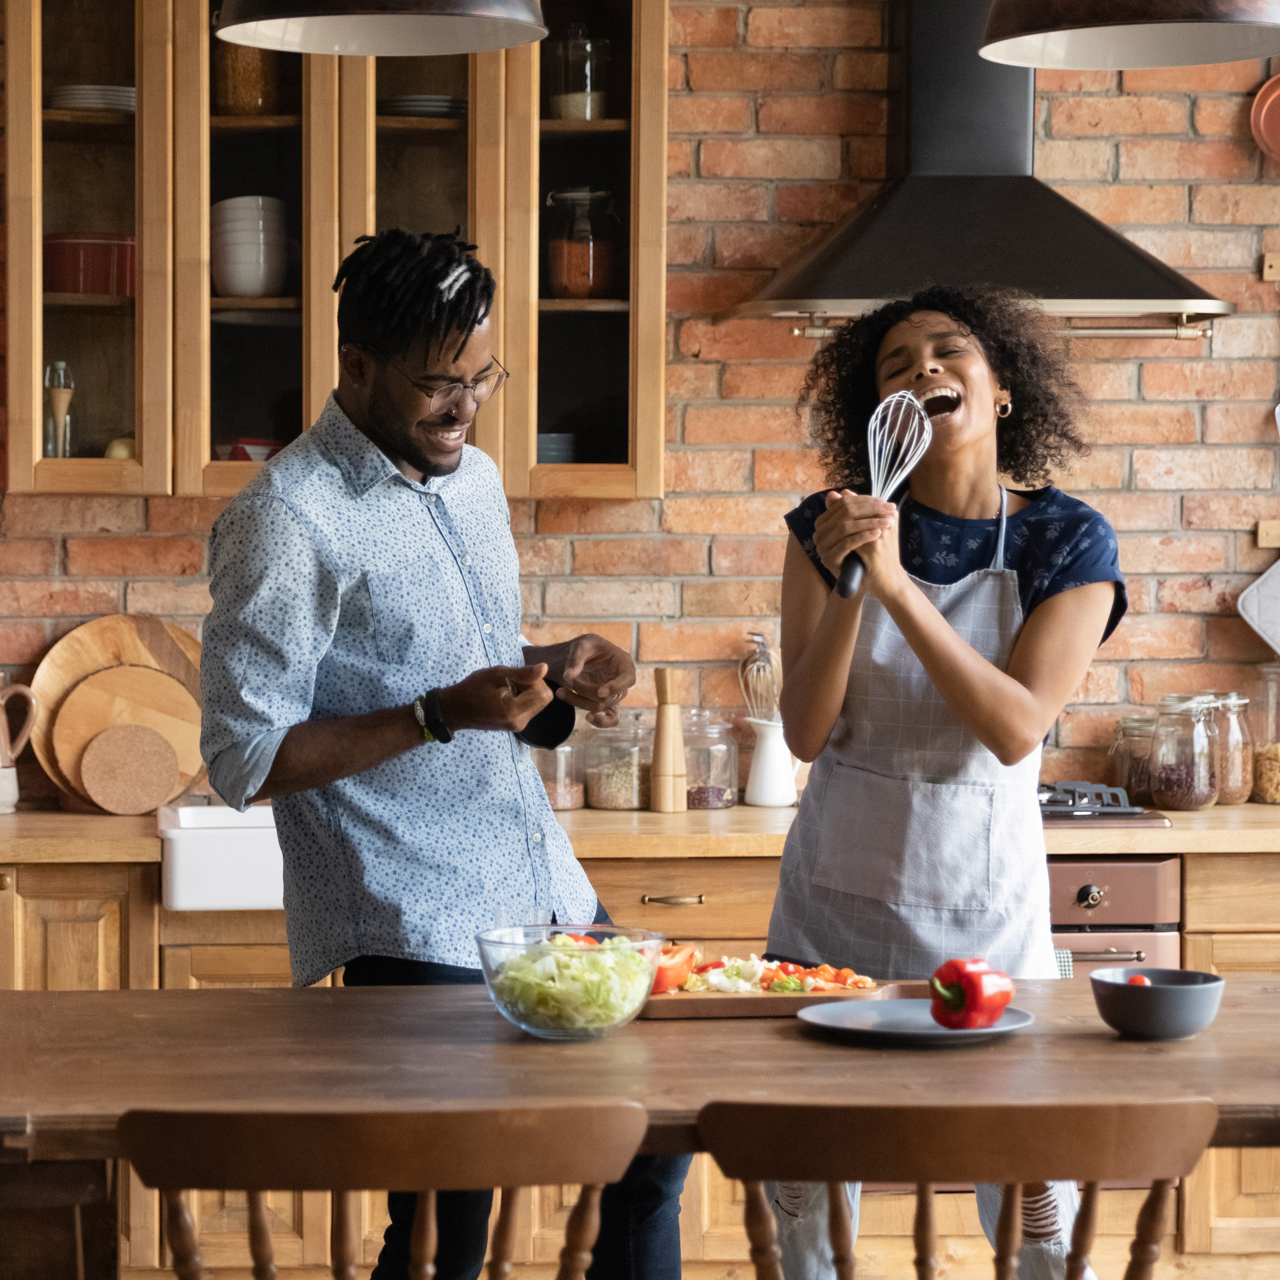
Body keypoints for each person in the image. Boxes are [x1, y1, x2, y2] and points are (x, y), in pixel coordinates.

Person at [200, 228, 691, 1280]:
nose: (463, 409)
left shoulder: (471, 479)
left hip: (544, 885)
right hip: (412, 913)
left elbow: (464, 672)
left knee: (648, 1146)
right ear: (357, 366)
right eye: (437, 384)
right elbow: (243, 755)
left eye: (481, 378)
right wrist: (433, 713)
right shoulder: (286, 517)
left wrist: (552, 669)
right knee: (445, 1221)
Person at [765, 286, 1127, 1280]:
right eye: (893, 363)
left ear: (1001, 389)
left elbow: (1013, 726)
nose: (920, 368)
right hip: (830, 902)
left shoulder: (1067, 539)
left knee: (1022, 1178)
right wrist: (848, 579)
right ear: (874, 411)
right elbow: (804, 729)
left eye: (945, 352)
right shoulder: (820, 527)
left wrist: (893, 587)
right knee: (807, 1185)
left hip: (984, 908)